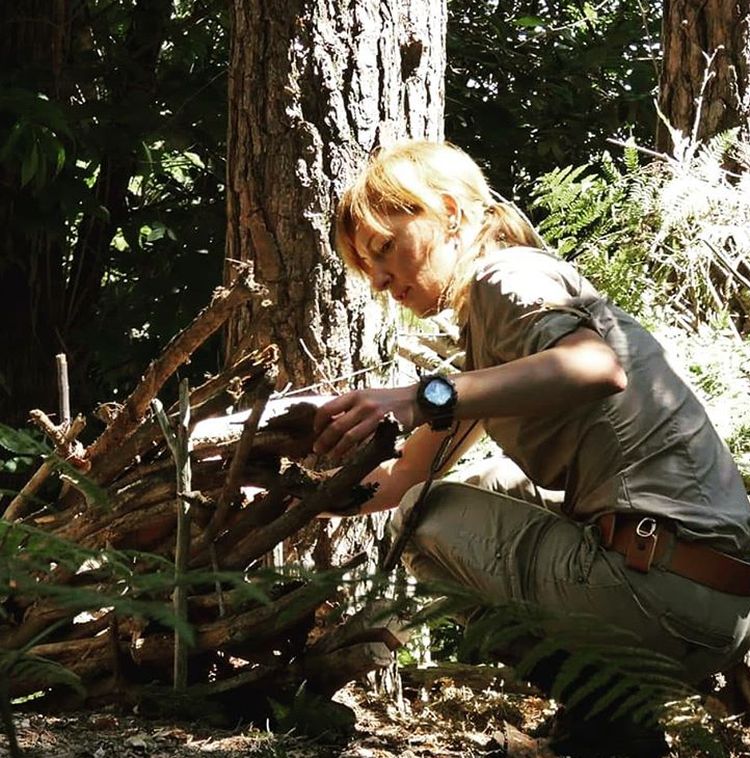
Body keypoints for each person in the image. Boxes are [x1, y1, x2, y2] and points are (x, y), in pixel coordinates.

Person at [311, 141, 750, 756]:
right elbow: (401, 478)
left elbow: (595, 366)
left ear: (448, 211)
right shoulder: (490, 349)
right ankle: (612, 721)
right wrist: (295, 497)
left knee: (425, 516)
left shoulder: (506, 276)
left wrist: (424, 396)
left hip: (661, 592)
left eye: (385, 247)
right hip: (708, 599)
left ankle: (608, 718)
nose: (381, 279)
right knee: (464, 489)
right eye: (366, 266)